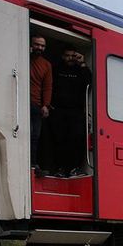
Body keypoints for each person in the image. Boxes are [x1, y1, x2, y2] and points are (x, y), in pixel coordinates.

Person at [50, 46, 91, 176]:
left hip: (76, 111)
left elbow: (89, 82)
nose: (70, 58)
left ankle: (75, 167)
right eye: (67, 55)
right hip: (58, 110)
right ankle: (60, 168)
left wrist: (83, 63)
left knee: (77, 140)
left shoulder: (81, 71)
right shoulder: (56, 69)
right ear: (63, 56)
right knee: (59, 140)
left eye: (73, 56)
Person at [29, 34, 52, 172]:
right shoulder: (24, 57)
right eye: (37, 44)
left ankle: (33, 162)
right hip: (23, 100)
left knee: (35, 135)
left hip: (36, 104)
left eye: (42, 46)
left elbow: (48, 86)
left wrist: (46, 105)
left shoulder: (46, 65)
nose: (39, 48)